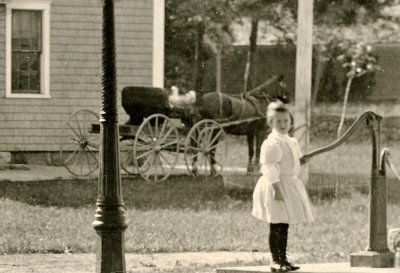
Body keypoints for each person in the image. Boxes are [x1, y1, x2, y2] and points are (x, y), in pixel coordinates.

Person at [252, 101, 314, 272]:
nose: (283, 125)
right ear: (270, 123)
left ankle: (283, 258)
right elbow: (269, 167)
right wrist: (276, 189)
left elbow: (289, 162)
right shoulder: (272, 143)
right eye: (278, 121)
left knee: (284, 223)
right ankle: (275, 260)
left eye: (286, 121)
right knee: (276, 222)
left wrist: (301, 161)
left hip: (288, 184)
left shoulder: (290, 141)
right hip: (276, 185)